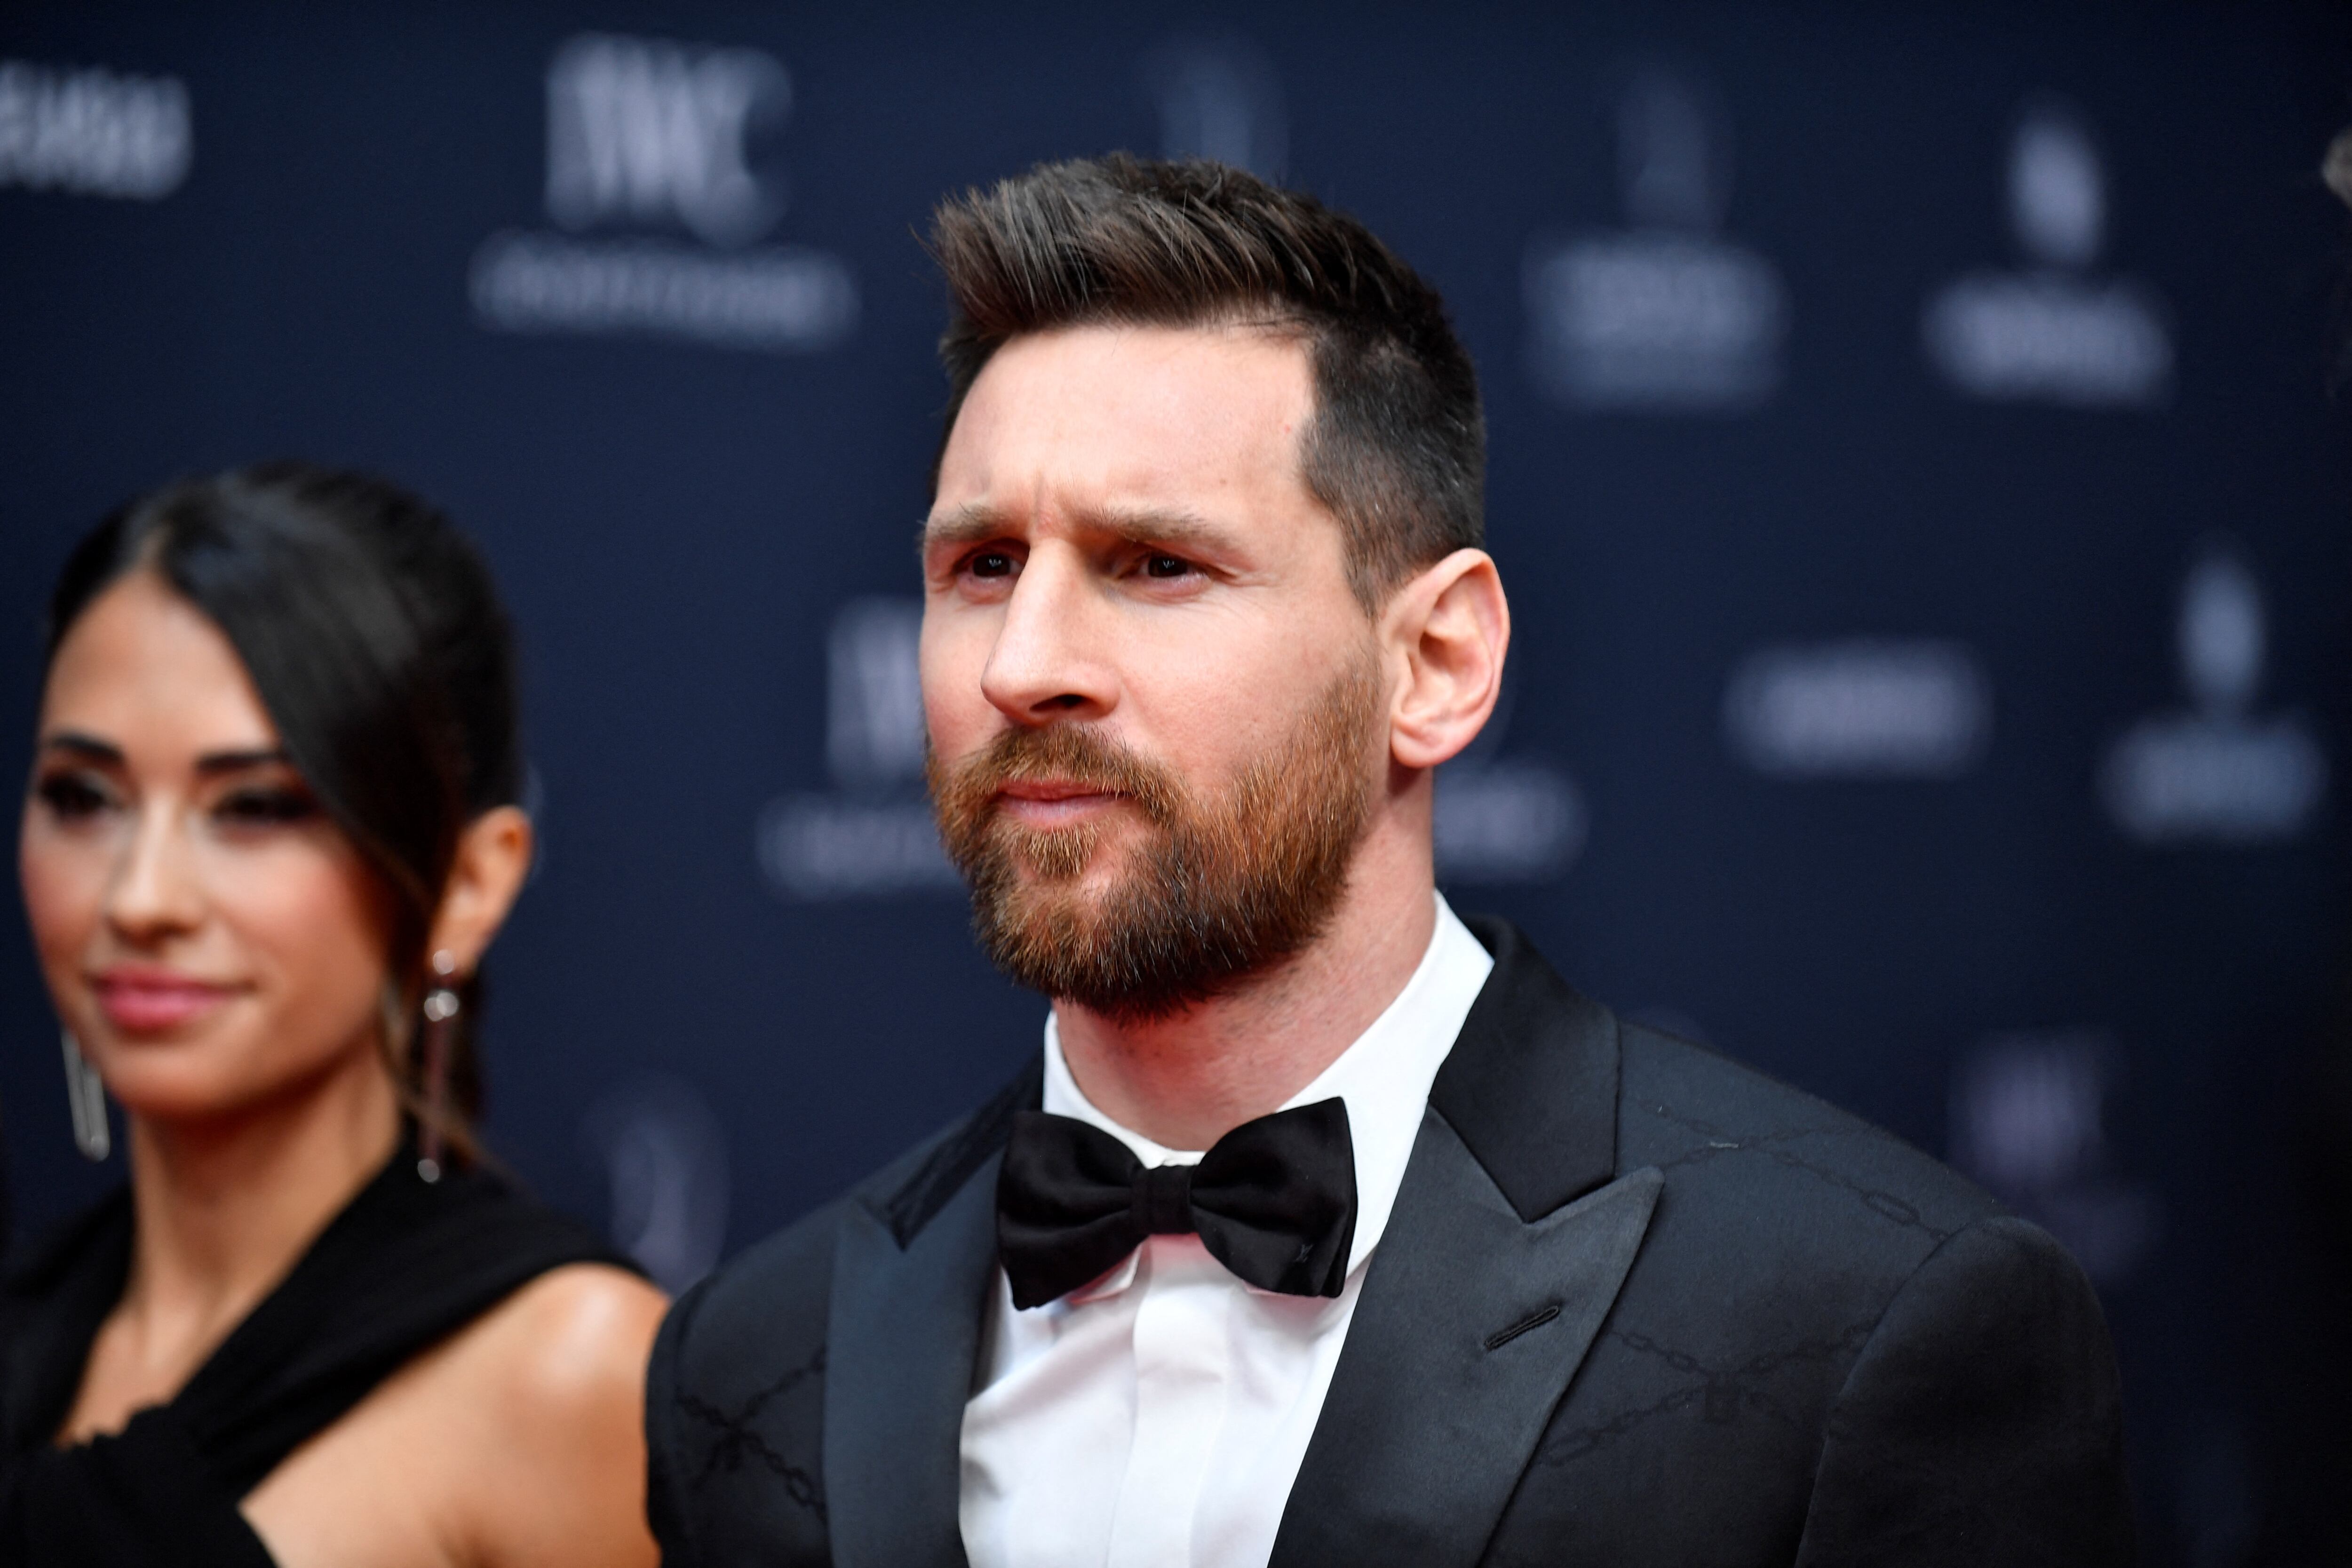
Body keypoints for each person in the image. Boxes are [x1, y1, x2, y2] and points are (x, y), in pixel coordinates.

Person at [646, 156, 2133, 1566]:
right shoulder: (757, 1361)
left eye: (1158, 564)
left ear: (1433, 659)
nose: (1024, 664)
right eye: (981, 567)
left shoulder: (1860, 1322)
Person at [3, 462, 667, 1567]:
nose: (139, 897)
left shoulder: (572, 1373)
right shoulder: (31, 1321)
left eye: (254, 807)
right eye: (85, 795)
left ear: (468, 883)